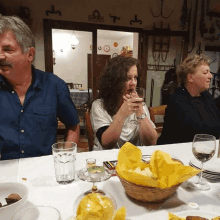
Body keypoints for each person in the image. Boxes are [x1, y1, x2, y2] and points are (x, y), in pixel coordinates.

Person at [0, 15, 80, 160]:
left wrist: (65, 158)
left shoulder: (54, 86)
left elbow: (73, 125)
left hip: (43, 172)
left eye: (7, 49)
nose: (0, 56)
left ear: (30, 54)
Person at [90, 56, 157, 150]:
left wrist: (140, 112)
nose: (133, 83)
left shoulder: (140, 106)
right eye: (127, 78)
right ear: (114, 81)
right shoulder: (99, 105)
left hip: (133, 159)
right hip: (106, 159)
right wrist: (122, 113)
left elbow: (152, 142)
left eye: (135, 78)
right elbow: (107, 143)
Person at [157, 55, 220, 145]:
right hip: (178, 154)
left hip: (205, 151)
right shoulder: (177, 101)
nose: (210, 76)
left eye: (209, 72)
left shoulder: (206, 96)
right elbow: (197, 132)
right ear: (190, 77)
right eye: (205, 73)